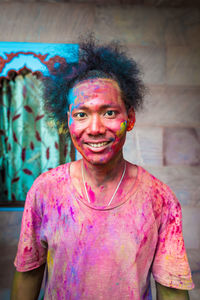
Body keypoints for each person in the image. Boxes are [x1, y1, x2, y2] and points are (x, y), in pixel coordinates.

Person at [11, 36, 194, 300]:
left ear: (129, 118)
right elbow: (28, 274)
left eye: (109, 113)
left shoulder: (160, 199)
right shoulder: (45, 190)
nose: (95, 129)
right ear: (67, 121)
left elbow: (171, 291)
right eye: (81, 114)